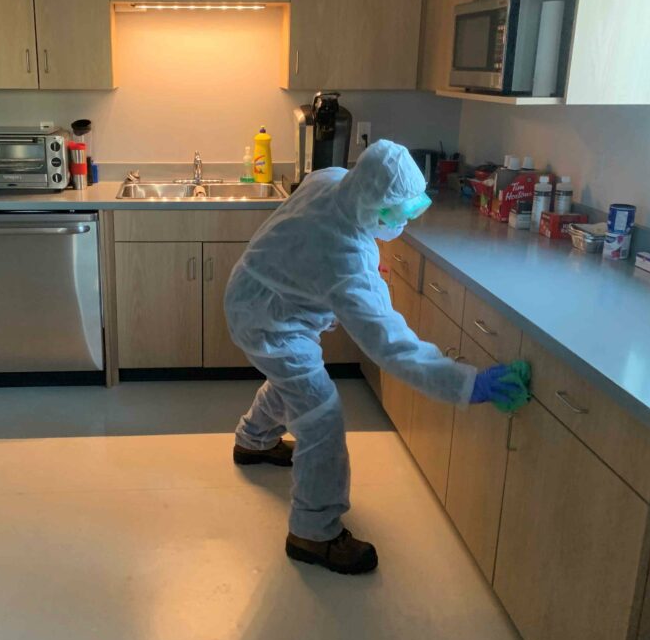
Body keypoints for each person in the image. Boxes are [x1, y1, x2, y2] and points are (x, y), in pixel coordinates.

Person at [224, 140, 522, 575]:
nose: (399, 223)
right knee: (320, 411)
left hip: (261, 294)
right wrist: (465, 382)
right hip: (269, 319)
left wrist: (328, 282)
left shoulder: (333, 181)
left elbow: (305, 236)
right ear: (371, 203)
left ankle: (254, 441)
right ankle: (312, 532)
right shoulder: (346, 261)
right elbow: (392, 346)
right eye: (395, 214)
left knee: (299, 379)